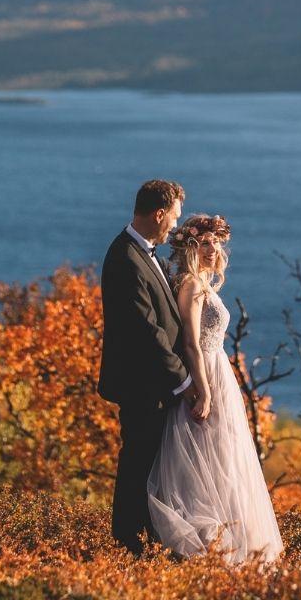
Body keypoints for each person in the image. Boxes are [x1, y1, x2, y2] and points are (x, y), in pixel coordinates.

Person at [147, 213, 284, 566]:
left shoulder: (203, 284)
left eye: (216, 242)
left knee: (224, 459)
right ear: (190, 249)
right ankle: (212, 549)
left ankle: (231, 544)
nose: (213, 249)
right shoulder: (191, 285)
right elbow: (191, 344)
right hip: (205, 374)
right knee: (206, 459)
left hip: (217, 372)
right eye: (204, 243)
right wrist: (202, 391)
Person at [98, 179, 203, 557]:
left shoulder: (143, 252)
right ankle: (129, 544)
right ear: (159, 213)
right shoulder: (126, 258)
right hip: (143, 386)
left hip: (153, 384)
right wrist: (185, 380)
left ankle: (144, 541)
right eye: (173, 218)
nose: (174, 226)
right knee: (139, 466)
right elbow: (148, 331)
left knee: (150, 466)